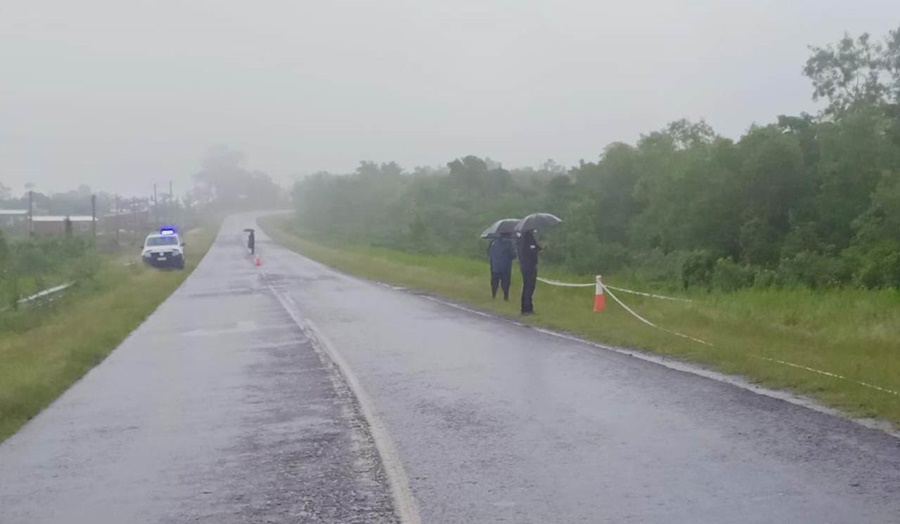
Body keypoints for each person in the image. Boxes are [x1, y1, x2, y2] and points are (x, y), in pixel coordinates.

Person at [517, 229, 541, 314]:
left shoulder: (520, 239)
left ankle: (525, 307)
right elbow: (531, 250)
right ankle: (527, 308)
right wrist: (536, 248)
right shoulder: (528, 238)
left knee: (526, 286)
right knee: (529, 287)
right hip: (529, 266)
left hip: (524, 266)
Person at [487, 232, 517, 300]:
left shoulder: (493, 243)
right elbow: (512, 255)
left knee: (494, 282)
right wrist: (515, 252)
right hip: (505, 267)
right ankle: (506, 296)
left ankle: (493, 295)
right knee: (505, 282)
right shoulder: (508, 244)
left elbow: (489, 253)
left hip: (494, 266)